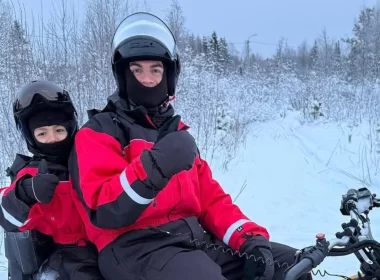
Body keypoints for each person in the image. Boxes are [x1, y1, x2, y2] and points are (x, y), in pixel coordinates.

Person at [68, 12, 312, 280]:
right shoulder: (99, 132)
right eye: (137, 70)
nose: (147, 79)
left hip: (192, 241)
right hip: (134, 249)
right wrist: (155, 167)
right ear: (123, 75)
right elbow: (103, 208)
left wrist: (249, 238)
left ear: (169, 75)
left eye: (156, 70)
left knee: (292, 266)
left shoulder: (176, 134)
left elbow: (211, 200)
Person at [0, 80, 104, 280]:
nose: (52, 139)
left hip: (105, 244)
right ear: (30, 137)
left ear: (71, 127)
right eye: (42, 133)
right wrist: (26, 193)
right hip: (65, 254)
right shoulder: (31, 172)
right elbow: (6, 216)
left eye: (59, 130)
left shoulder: (88, 158)